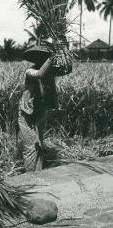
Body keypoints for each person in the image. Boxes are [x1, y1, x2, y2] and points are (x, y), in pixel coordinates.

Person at [16, 43, 69, 172]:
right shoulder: (30, 71)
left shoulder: (50, 72)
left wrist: (64, 51)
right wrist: (53, 56)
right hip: (26, 113)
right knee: (30, 146)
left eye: (44, 57)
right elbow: (40, 74)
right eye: (39, 57)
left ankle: (38, 174)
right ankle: (30, 178)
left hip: (40, 111)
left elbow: (67, 70)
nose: (41, 59)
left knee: (38, 143)